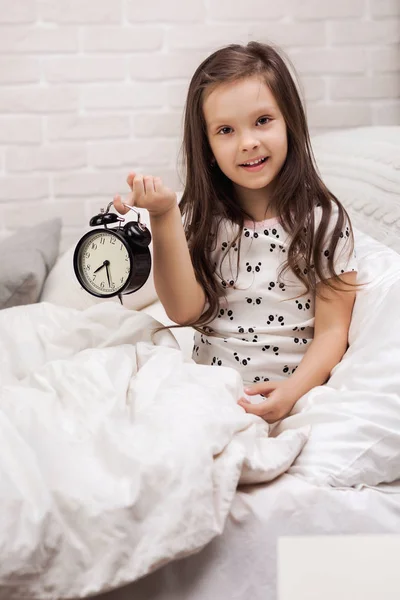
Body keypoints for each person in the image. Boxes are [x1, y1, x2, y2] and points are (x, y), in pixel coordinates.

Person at [113, 41, 358, 424]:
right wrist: (163, 216)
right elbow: (184, 310)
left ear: (290, 121)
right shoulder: (202, 218)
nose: (248, 142)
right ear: (207, 146)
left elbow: (332, 332)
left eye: (263, 120)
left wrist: (291, 394)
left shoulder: (322, 221)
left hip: (287, 396)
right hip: (207, 393)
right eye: (226, 130)